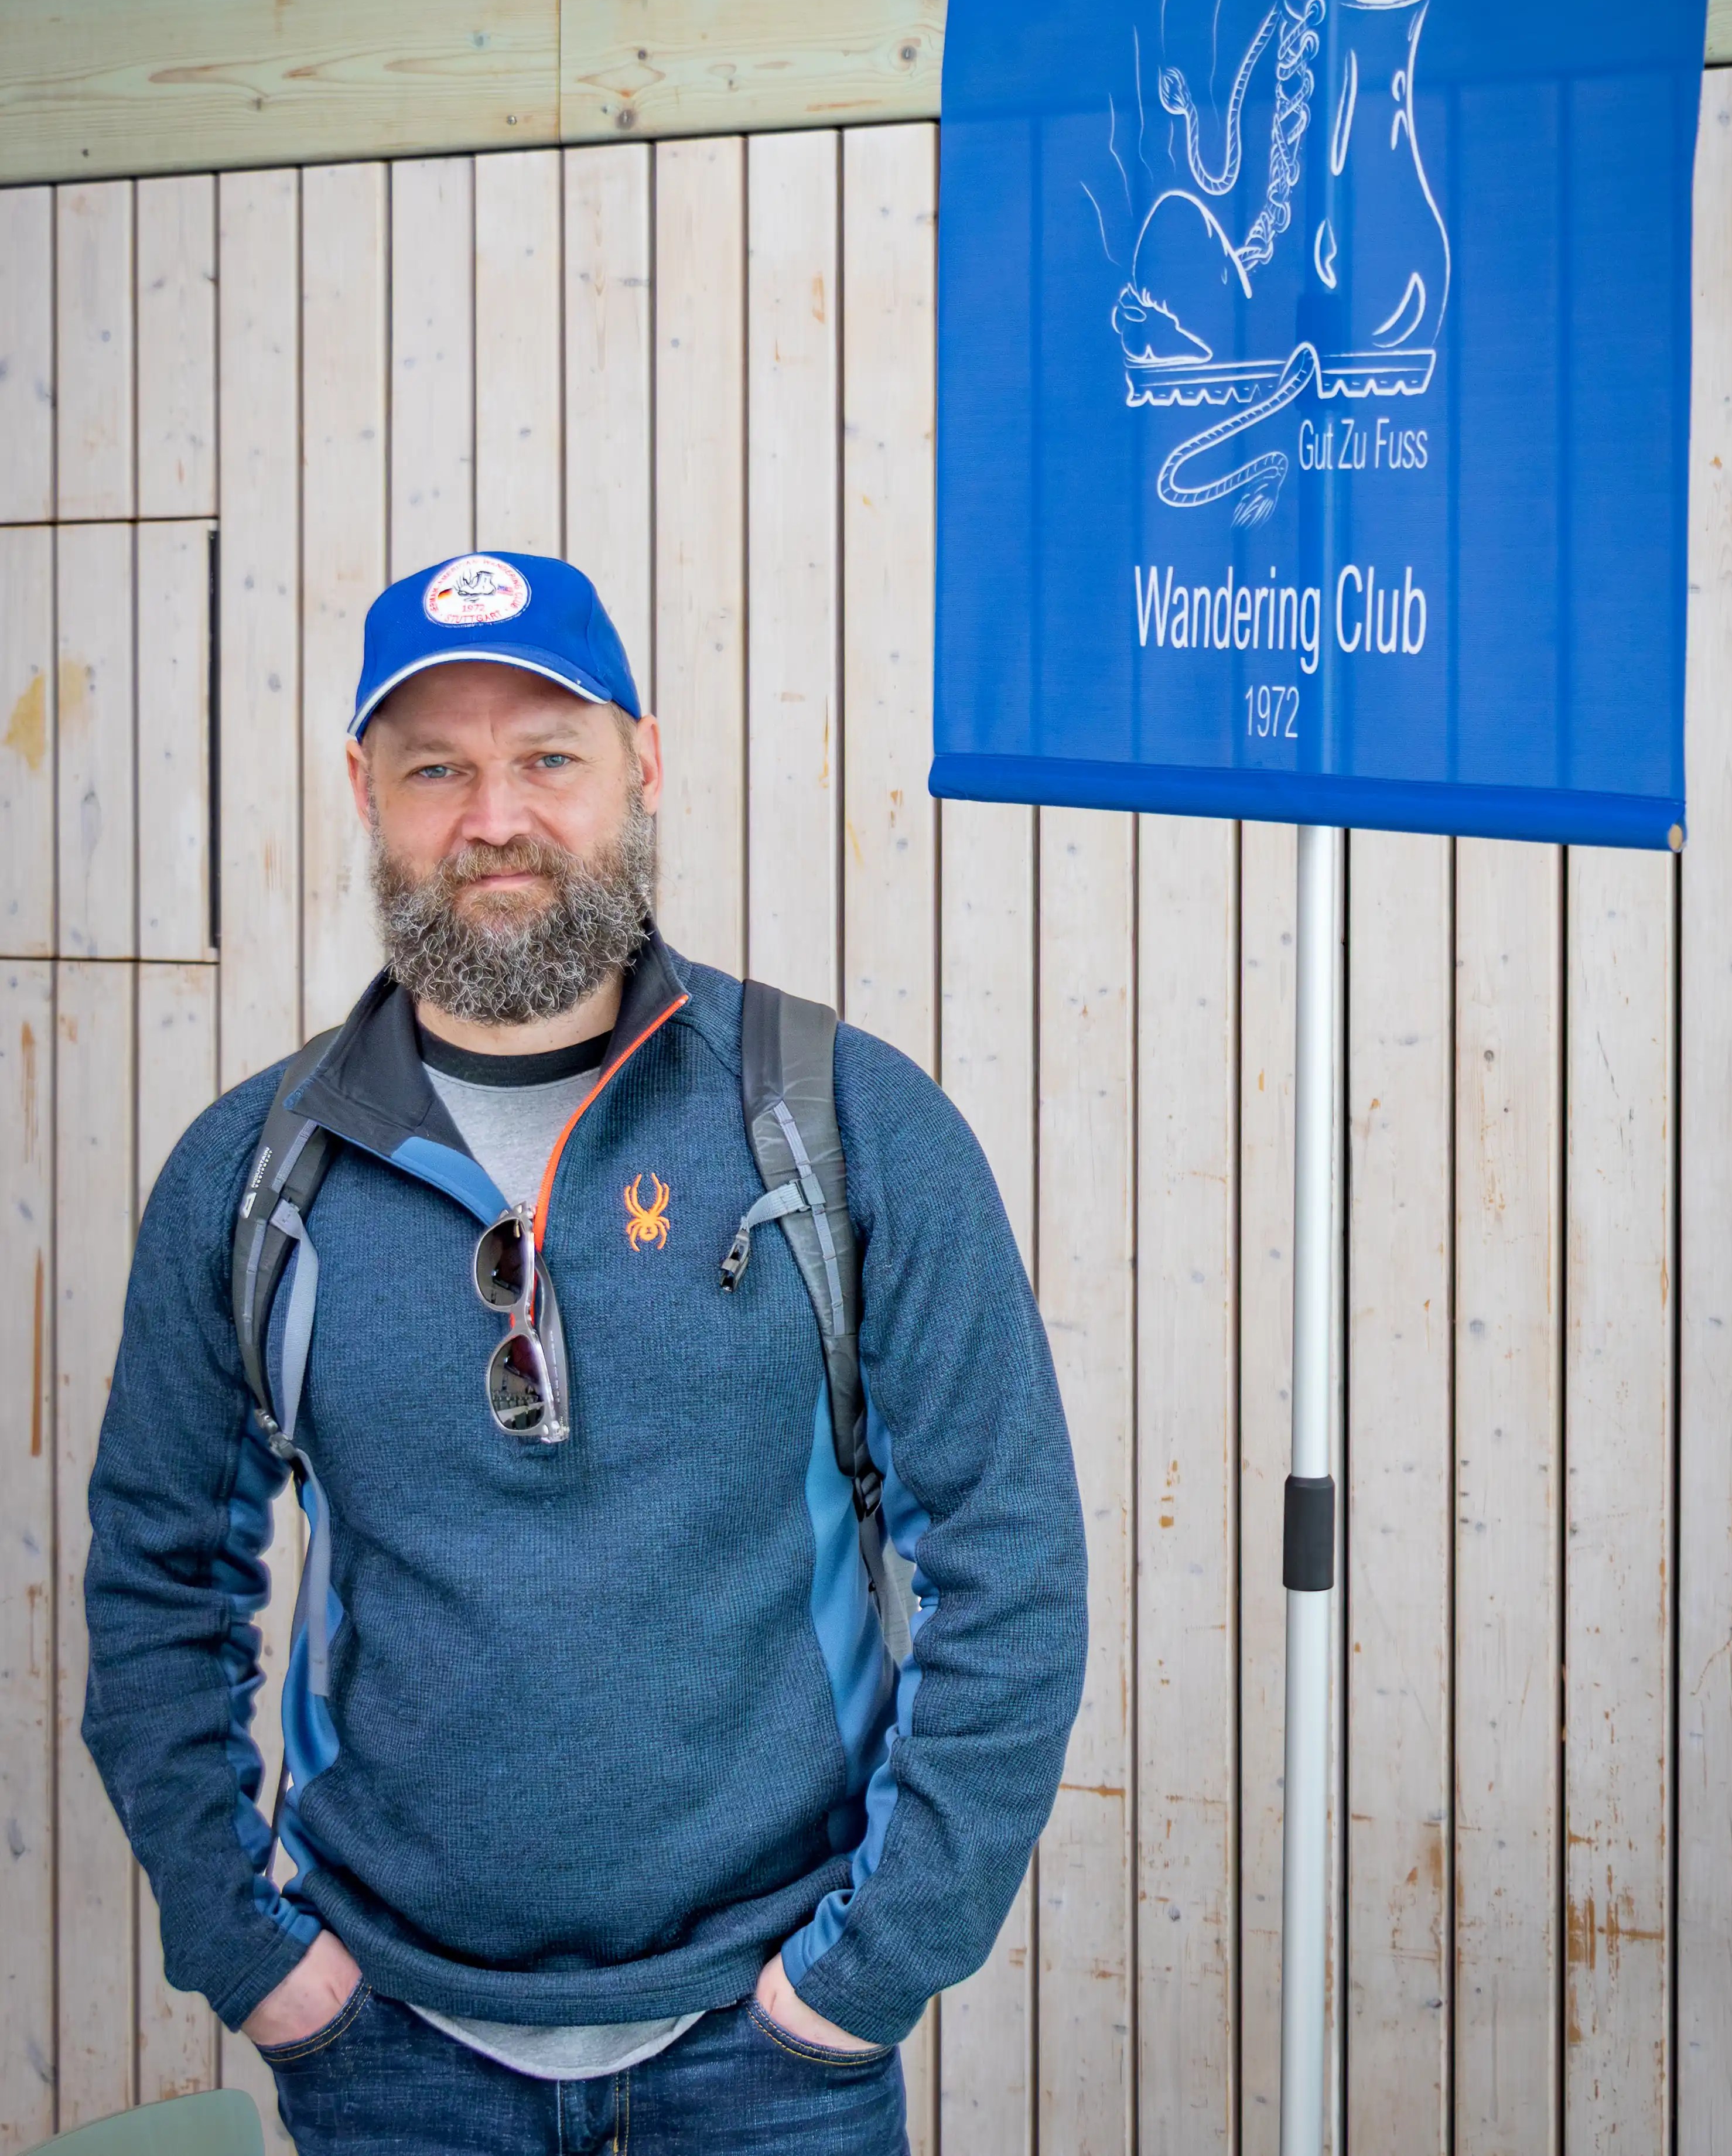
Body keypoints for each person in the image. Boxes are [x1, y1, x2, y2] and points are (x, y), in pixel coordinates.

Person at [84, 550, 1087, 2155]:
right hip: (387, 2050)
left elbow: (1009, 1564)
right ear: (362, 791)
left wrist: (868, 1975)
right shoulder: (252, 1173)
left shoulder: (840, 1121)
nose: (496, 818)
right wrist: (250, 1956)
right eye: (437, 769)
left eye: (549, 757)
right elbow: (156, 1582)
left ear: (645, 764)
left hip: (771, 2055)